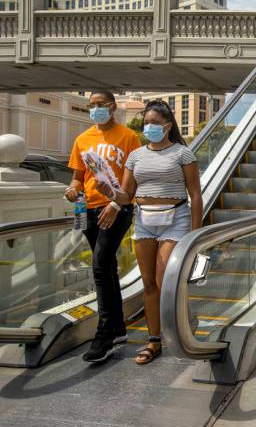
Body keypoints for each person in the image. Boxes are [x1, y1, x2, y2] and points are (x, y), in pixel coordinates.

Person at [100, 99, 203, 364]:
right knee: (148, 283)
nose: (149, 127)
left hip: (176, 218)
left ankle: (179, 326)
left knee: (163, 279)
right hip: (144, 220)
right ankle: (154, 340)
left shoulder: (182, 153)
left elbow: (195, 194)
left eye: (155, 123)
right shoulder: (135, 156)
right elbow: (127, 195)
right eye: (146, 123)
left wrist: (196, 233)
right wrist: (110, 193)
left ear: (168, 126)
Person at [66, 90, 142, 363]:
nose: (95, 109)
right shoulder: (83, 139)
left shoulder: (128, 137)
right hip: (89, 209)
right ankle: (119, 328)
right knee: (106, 266)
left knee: (99, 265)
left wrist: (117, 203)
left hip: (117, 209)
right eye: (91, 105)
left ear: (112, 107)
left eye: (100, 105)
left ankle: (104, 334)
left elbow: (133, 180)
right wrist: (72, 189)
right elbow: (77, 177)